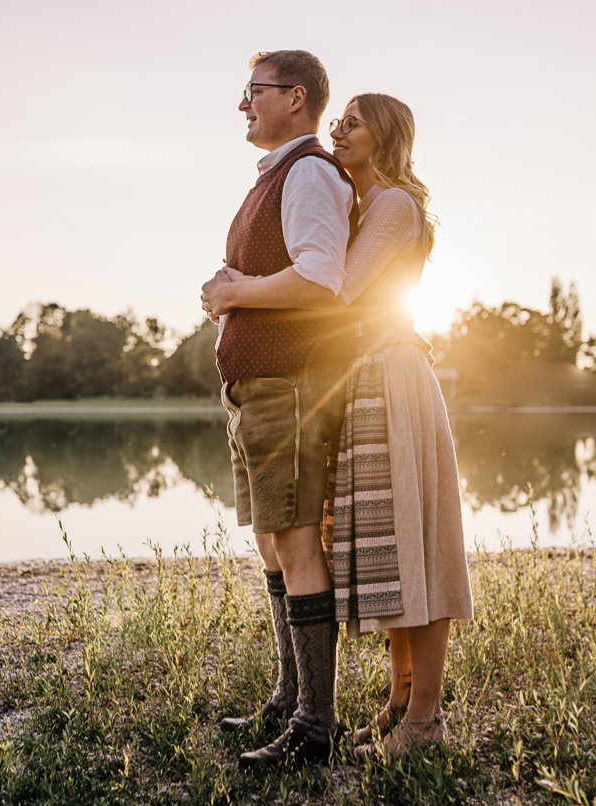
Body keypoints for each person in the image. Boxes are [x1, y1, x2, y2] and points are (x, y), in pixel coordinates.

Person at [205, 93, 474, 757]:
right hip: (363, 379)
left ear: (385, 135)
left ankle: (425, 718)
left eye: (354, 120)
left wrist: (240, 289)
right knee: (389, 546)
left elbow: (334, 291)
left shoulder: (392, 205)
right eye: (340, 119)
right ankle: (398, 701)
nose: (339, 129)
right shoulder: (364, 204)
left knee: (417, 549)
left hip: (394, 375)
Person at [199, 49, 359, 769]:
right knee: (271, 540)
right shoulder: (276, 177)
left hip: (290, 384)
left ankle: (315, 728)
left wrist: (236, 293)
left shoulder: (311, 173)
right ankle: (289, 696)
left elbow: (323, 278)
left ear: (295, 97)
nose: (243, 104)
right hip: (257, 387)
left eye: (253, 91)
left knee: (295, 542)